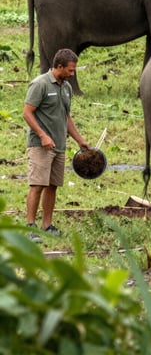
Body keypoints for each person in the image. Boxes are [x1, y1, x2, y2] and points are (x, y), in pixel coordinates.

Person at [23, 48, 90, 239]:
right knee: (37, 185)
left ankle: (47, 225)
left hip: (59, 145)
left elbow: (66, 117)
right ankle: (30, 227)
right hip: (40, 145)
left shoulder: (66, 87)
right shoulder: (40, 84)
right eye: (70, 70)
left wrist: (80, 140)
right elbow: (27, 113)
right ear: (59, 67)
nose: (72, 73)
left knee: (52, 185)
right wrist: (43, 136)